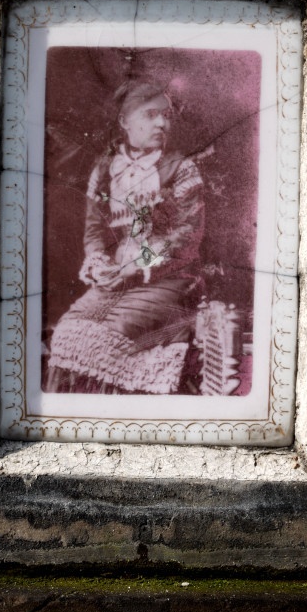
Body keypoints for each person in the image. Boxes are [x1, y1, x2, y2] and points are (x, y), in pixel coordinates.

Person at [46, 79, 205, 395]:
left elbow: (187, 237)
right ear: (124, 121)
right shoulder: (106, 168)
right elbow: (94, 231)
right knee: (66, 333)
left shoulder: (181, 169)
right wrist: (98, 263)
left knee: (106, 338)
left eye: (166, 115)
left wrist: (136, 266)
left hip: (170, 282)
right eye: (150, 115)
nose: (161, 123)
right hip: (117, 282)